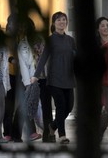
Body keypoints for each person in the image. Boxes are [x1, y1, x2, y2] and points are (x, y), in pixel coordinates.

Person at [31, 11, 77, 144]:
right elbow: (43, 59)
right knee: (61, 106)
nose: (62, 22)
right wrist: (35, 75)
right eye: (58, 20)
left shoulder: (71, 41)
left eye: (64, 20)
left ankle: (52, 126)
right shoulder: (50, 40)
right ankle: (62, 135)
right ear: (54, 23)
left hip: (69, 79)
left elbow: (76, 57)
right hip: (54, 80)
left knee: (69, 107)